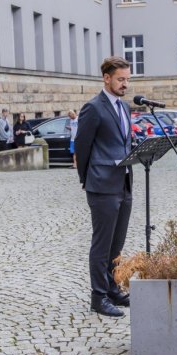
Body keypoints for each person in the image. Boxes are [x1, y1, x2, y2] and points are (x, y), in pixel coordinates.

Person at [75, 56, 133, 318]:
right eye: (121, 79)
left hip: (124, 182)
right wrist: (87, 180)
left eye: (127, 80)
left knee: (116, 244)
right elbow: (82, 146)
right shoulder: (93, 108)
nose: (125, 85)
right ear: (106, 78)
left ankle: (112, 288)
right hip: (101, 185)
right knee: (102, 243)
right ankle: (98, 296)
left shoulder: (125, 108)